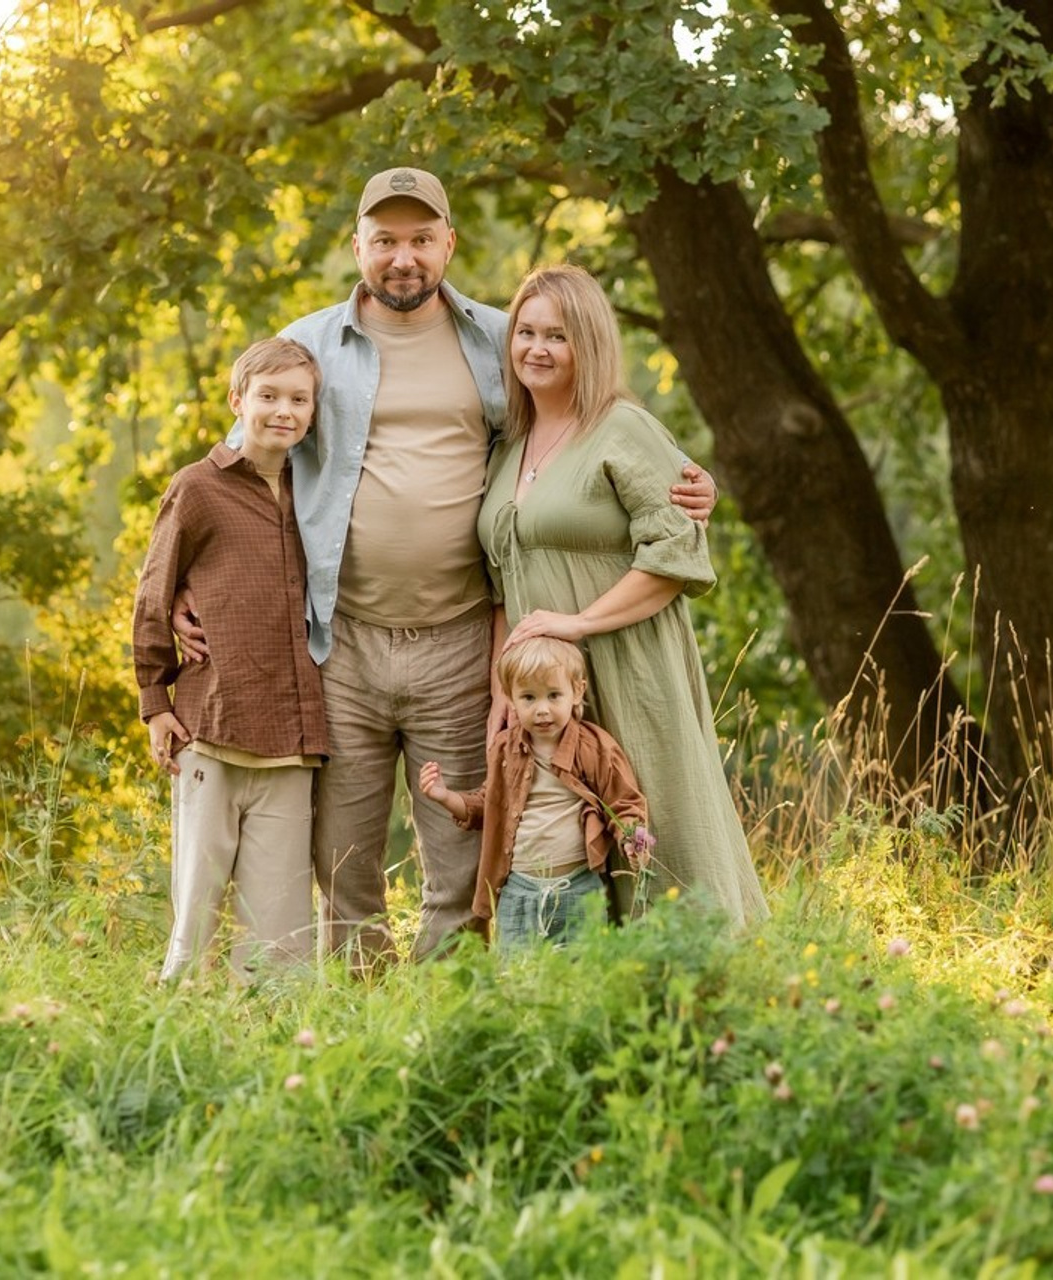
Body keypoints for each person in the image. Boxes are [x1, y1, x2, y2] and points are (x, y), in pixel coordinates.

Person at [173, 168, 720, 973]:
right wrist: (191, 577)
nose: (404, 257)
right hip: (342, 640)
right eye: (386, 240)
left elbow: (586, 421)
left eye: (421, 239)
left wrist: (691, 480)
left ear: (448, 244)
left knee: (462, 856)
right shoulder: (310, 344)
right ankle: (363, 1016)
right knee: (343, 855)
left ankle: (443, 1011)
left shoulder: (500, 342)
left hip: (465, 638)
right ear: (357, 245)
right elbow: (242, 461)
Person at [479, 263, 768, 925]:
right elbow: (503, 586)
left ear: (591, 344)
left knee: (661, 826)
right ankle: (603, 1001)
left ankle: (705, 979)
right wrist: (503, 690)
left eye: (558, 335)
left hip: (629, 664)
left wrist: (580, 623)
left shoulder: (623, 429)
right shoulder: (509, 449)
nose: (537, 349)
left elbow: (673, 558)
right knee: (568, 843)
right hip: (547, 691)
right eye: (525, 332)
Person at [132, 337, 329, 981]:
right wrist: (155, 705)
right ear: (237, 401)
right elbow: (153, 596)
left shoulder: (319, 496)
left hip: (292, 737)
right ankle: (177, 1030)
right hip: (210, 728)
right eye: (268, 396)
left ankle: (273, 1050)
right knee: (199, 907)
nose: (284, 411)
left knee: (281, 934)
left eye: (299, 399)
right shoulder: (197, 488)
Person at [419, 636, 652, 949]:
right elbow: (488, 807)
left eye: (554, 696)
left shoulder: (593, 747)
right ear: (511, 699)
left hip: (578, 886)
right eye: (528, 698)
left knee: (579, 976)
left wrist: (631, 837)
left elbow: (623, 801)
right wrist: (445, 796)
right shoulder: (505, 748)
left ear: (577, 691)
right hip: (519, 890)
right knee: (517, 978)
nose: (542, 710)